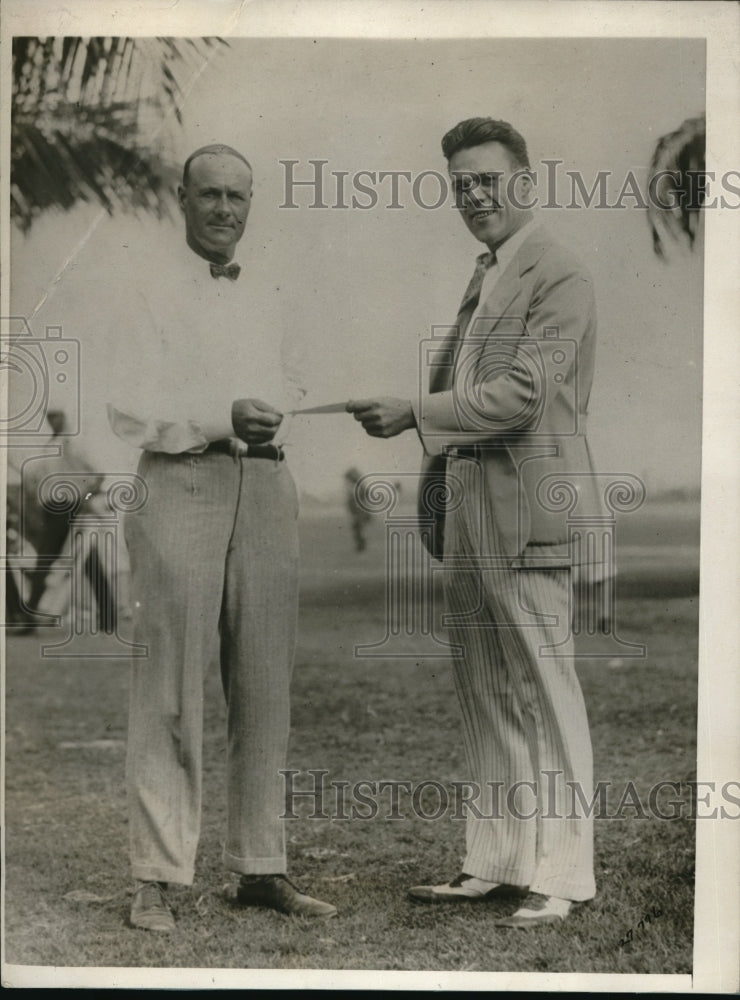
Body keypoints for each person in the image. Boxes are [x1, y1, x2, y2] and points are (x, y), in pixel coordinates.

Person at [347, 118, 604, 928]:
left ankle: (563, 875)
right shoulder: (487, 274)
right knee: (486, 692)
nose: (475, 196)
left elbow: (523, 398)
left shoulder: (558, 273)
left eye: (488, 180)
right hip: (470, 511)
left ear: (526, 180)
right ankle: (495, 862)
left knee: (545, 691)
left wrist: (413, 413)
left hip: (531, 510)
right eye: (461, 184)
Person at [107, 143, 336, 932]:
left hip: (267, 485)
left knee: (265, 681)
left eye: (238, 196)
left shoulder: (273, 285)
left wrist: (275, 407)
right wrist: (216, 417)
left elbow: (298, 372)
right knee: (170, 682)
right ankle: (157, 877)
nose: (225, 210)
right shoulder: (144, 287)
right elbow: (129, 409)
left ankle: (261, 866)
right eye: (210, 194)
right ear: (181, 198)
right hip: (181, 481)